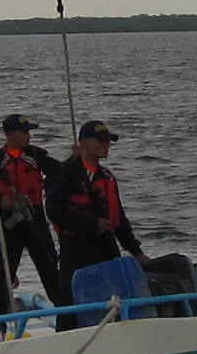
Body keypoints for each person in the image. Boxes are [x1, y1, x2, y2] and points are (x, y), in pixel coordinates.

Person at [0, 113, 71, 311]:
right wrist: (1, 200)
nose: (28, 136)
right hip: (8, 225)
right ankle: (1, 320)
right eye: (24, 132)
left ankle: (66, 314)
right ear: (11, 134)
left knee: (51, 270)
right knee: (3, 275)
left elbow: (60, 171)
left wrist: (74, 160)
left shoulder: (36, 155)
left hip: (34, 219)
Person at [45, 119, 145, 298]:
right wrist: (92, 224)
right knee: (71, 304)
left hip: (107, 248)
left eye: (108, 141)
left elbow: (119, 220)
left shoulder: (107, 177)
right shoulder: (64, 173)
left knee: (117, 299)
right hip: (76, 251)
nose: (106, 145)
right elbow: (55, 212)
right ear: (84, 142)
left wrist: (137, 253)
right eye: (100, 140)